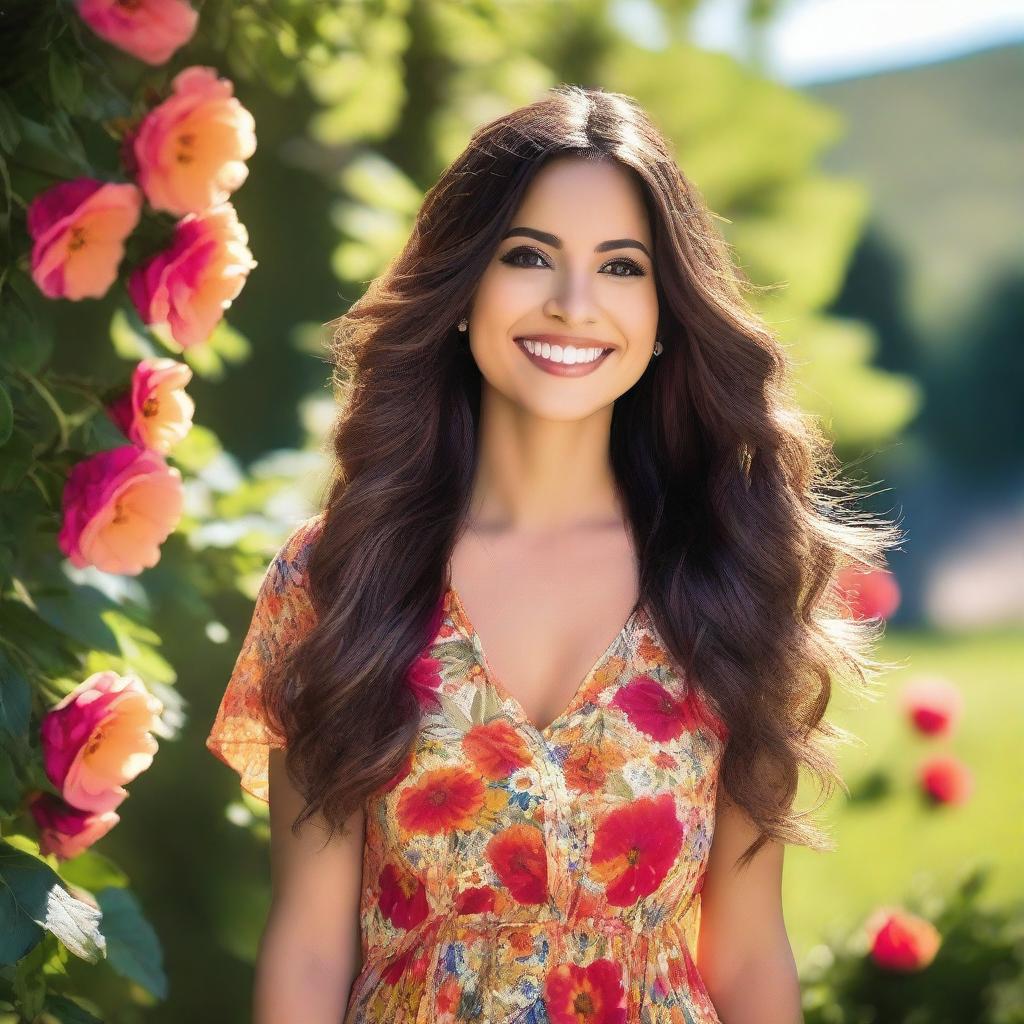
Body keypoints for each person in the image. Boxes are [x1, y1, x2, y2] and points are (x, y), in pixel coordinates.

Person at [206, 84, 900, 1024]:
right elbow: (308, 947)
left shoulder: (732, 571)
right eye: (528, 256)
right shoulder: (337, 575)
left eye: (621, 268)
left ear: (664, 316)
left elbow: (746, 954)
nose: (574, 305)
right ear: (461, 290)